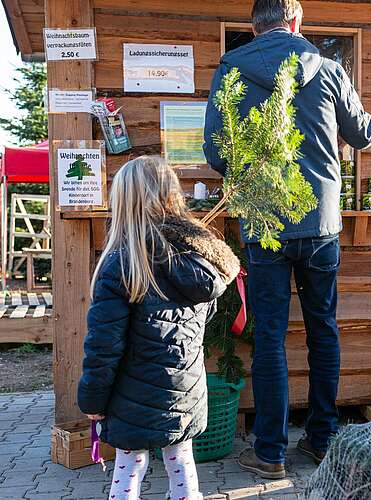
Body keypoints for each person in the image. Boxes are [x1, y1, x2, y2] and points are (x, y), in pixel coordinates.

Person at [203, 0, 371, 480]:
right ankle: (322, 440)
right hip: (321, 224)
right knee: (323, 329)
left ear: (253, 27)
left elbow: (215, 149)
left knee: (271, 338)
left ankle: (271, 454)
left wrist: (249, 170)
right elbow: (363, 134)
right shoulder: (328, 67)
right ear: (297, 22)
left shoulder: (232, 68)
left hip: (265, 223)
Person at [77, 156, 241, 500]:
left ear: (122, 202)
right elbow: (201, 322)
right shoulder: (198, 259)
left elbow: (103, 346)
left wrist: (92, 399)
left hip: (132, 394)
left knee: (130, 465)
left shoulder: (121, 263)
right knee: (182, 462)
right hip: (185, 389)